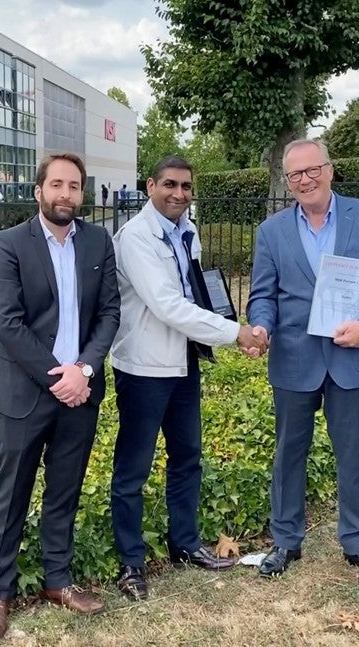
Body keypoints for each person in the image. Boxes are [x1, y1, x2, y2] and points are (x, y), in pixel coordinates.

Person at [246, 139, 359, 585]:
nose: (305, 179)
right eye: (295, 174)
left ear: (330, 169)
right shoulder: (272, 230)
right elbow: (263, 294)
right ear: (288, 181)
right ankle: (286, 539)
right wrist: (260, 327)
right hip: (294, 360)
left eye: (312, 169)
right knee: (288, 452)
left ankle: (357, 541)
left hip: (351, 357)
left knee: (353, 454)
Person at [109, 156, 269, 601]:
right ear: (150, 186)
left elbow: (194, 291)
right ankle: (131, 563)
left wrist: (223, 321)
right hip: (143, 368)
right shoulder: (136, 237)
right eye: (170, 185)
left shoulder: (188, 230)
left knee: (187, 457)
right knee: (132, 470)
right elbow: (167, 305)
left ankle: (184, 543)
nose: (179, 194)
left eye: (186, 187)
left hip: (183, 362)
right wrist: (235, 333)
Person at [0, 153, 121, 640]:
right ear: (39, 190)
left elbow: (109, 315)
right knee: (11, 494)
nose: (66, 194)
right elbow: (9, 324)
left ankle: (58, 582)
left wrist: (83, 370)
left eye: (75, 186)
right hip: (24, 392)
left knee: (65, 491)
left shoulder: (99, 241)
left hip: (80, 391)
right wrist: (58, 377)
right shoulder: (10, 244)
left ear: (83, 193)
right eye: (56, 184)